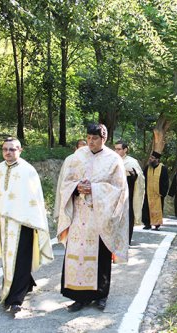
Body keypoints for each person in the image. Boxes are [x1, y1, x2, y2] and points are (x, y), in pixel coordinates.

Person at [0, 137, 54, 314]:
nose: (8, 152)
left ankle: (16, 298)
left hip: (24, 223)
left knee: (22, 258)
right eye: (5, 149)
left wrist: (35, 222)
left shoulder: (28, 171)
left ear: (20, 150)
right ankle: (25, 283)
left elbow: (35, 199)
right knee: (9, 259)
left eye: (12, 149)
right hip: (3, 223)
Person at [57, 123, 129, 312]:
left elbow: (119, 190)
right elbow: (65, 183)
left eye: (95, 138)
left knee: (100, 256)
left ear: (104, 139)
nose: (91, 142)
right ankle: (78, 297)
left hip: (100, 218)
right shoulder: (77, 156)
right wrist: (76, 187)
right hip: (79, 216)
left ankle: (100, 296)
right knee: (77, 255)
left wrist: (94, 189)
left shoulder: (114, 160)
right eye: (88, 138)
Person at [114, 140, 145, 244]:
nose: (116, 151)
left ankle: (127, 239)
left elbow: (139, 177)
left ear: (125, 149)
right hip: (114, 193)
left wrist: (133, 175)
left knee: (128, 216)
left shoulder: (131, 162)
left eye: (119, 149)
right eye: (115, 149)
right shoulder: (112, 160)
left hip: (128, 193)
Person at [53, 139, 87, 221]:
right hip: (71, 196)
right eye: (80, 148)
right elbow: (64, 180)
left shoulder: (90, 160)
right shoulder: (69, 159)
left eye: (85, 149)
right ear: (76, 148)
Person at [142, 151, 169, 230]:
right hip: (148, 193)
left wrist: (162, 192)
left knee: (157, 209)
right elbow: (143, 179)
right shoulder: (147, 168)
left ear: (157, 159)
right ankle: (147, 224)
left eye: (152, 158)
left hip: (158, 194)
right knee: (146, 208)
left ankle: (157, 224)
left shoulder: (163, 168)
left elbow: (165, 182)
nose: (150, 159)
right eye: (150, 157)